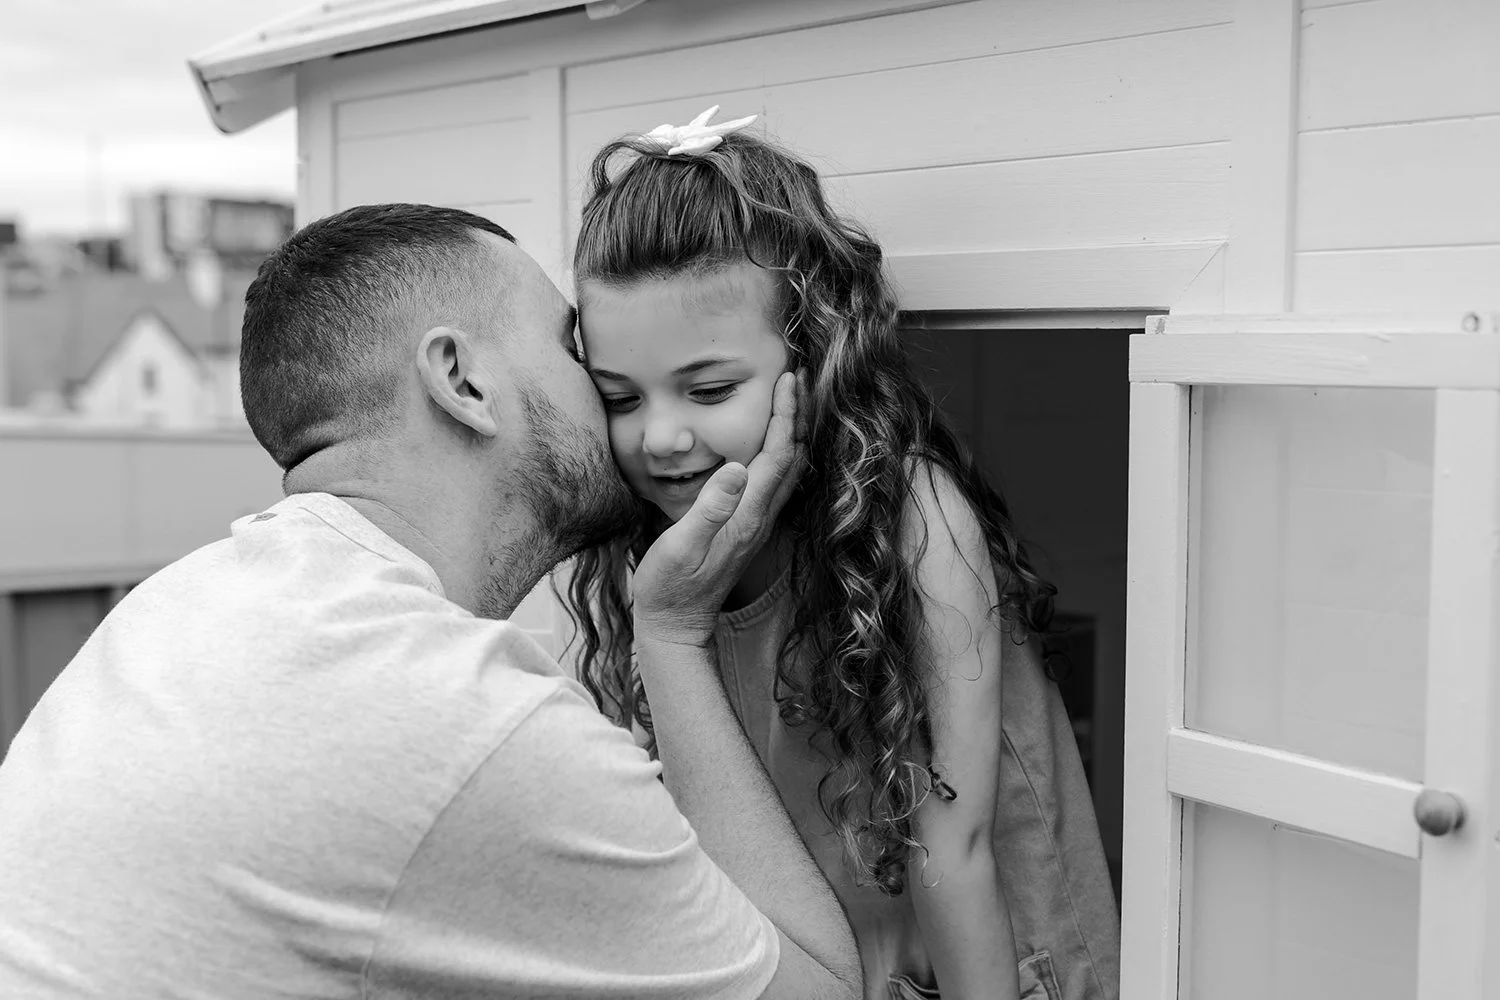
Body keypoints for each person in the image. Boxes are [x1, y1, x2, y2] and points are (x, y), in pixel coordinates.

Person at [0, 204, 863, 1000]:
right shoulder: (463, 720)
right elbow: (825, 989)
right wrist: (672, 635)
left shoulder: (175, 609)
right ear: (461, 379)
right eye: (575, 353)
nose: (612, 394)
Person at [558, 110, 1122, 1000]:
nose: (661, 437)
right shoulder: (655, 550)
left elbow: (956, 844)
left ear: (812, 357)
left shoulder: (915, 515)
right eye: (619, 398)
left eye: (709, 389)